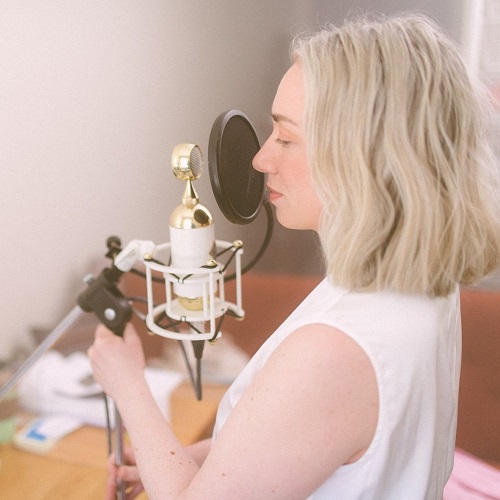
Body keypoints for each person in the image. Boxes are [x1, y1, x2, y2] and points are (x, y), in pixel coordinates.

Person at [88, 13, 500, 499]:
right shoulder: (416, 283)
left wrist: (129, 386)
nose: (261, 159)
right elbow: (301, 436)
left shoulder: (335, 349)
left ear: (361, 157)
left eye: (285, 138)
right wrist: (181, 460)